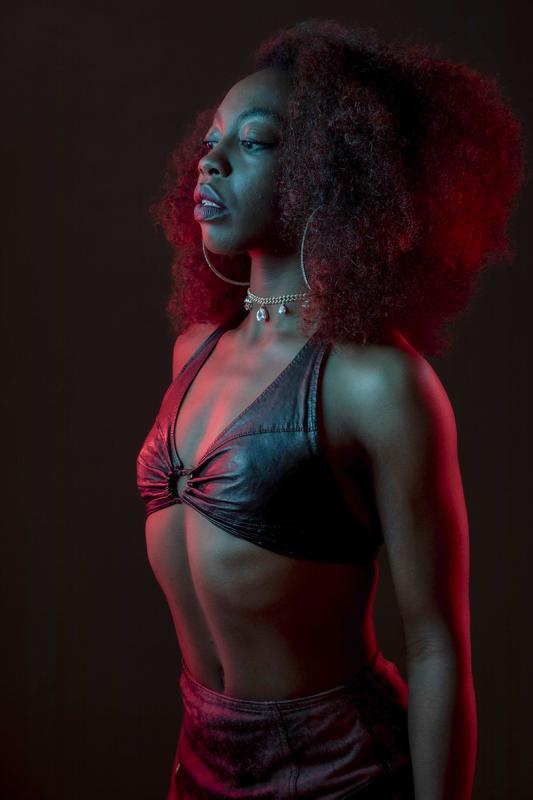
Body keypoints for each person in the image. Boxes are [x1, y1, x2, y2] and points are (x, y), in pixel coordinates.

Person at [136, 18, 524, 800]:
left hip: (338, 775)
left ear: (329, 173)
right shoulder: (194, 352)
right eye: (211, 140)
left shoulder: (376, 383)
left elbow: (435, 646)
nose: (212, 159)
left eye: (254, 141)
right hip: (199, 764)